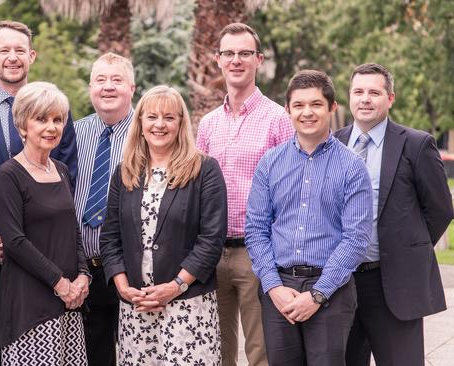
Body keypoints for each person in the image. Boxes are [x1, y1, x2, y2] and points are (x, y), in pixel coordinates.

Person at [0, 21, 78, 365]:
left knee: (42, 345)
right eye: (5, 50)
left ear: (32, 56)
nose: (13, 57)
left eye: (20, 50)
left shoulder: (56, 112)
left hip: (42, 255)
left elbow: (67, 179)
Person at [245, 70, 373, 365]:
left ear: (332, 108)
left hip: (331, 291)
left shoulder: (352, 167)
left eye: (316, 104)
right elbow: (256, 229)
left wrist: (317, 294)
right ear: (287, 109)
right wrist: (273, 286)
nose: (307, 113)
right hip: (278, 288)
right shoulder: (270, 163)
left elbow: (355, 239)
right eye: (299, 105)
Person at [335, 63, 454, 366]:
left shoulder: (416, 144)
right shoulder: (331, 144)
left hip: (393, 285)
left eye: (374, 92)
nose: (365, 99)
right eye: (358, 91)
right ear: (349, 97)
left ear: (390, 98)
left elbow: (440, 209)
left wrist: (407, 247)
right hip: (339, 284)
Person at [100, 85, 227, 365]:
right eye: (152, 117)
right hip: (136, 305)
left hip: (187, 305)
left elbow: (211, 239)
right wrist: (123, 287)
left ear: (181, 123)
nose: (160, 124)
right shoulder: (125, 173)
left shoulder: (204, 169)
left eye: (169, 117)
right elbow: (110, 237)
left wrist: (175, 286)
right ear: (141, 123)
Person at [195, 22, 293, 366]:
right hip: (211, 252)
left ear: (259, 59)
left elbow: (290, 189)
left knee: (261, 350)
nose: (236, 60)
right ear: (218, 60)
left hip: (258, 253)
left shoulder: (278, 119)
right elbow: (197, 188)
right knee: (216, 349)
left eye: (245, 53)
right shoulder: (207, 124)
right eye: (229, 53)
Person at [0, 81, 89, 365]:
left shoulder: (60, 170)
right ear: (23, 125)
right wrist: (60, 283)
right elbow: (15, 241)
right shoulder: (9, 174)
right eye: (41, 119)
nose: (51, 127)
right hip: (30, 305)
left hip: (70, 302)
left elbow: (73, 230)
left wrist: (83, 276)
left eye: (57, 120)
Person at [74, 52, 135, 366]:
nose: (108, 87)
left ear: (132, 88)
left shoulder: (148, 133)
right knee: (94, 355)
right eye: (100, 80)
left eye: (116, 80)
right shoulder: (71, 133)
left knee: (136, 355)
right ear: (90, 88)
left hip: (133, 270)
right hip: (84, 271)